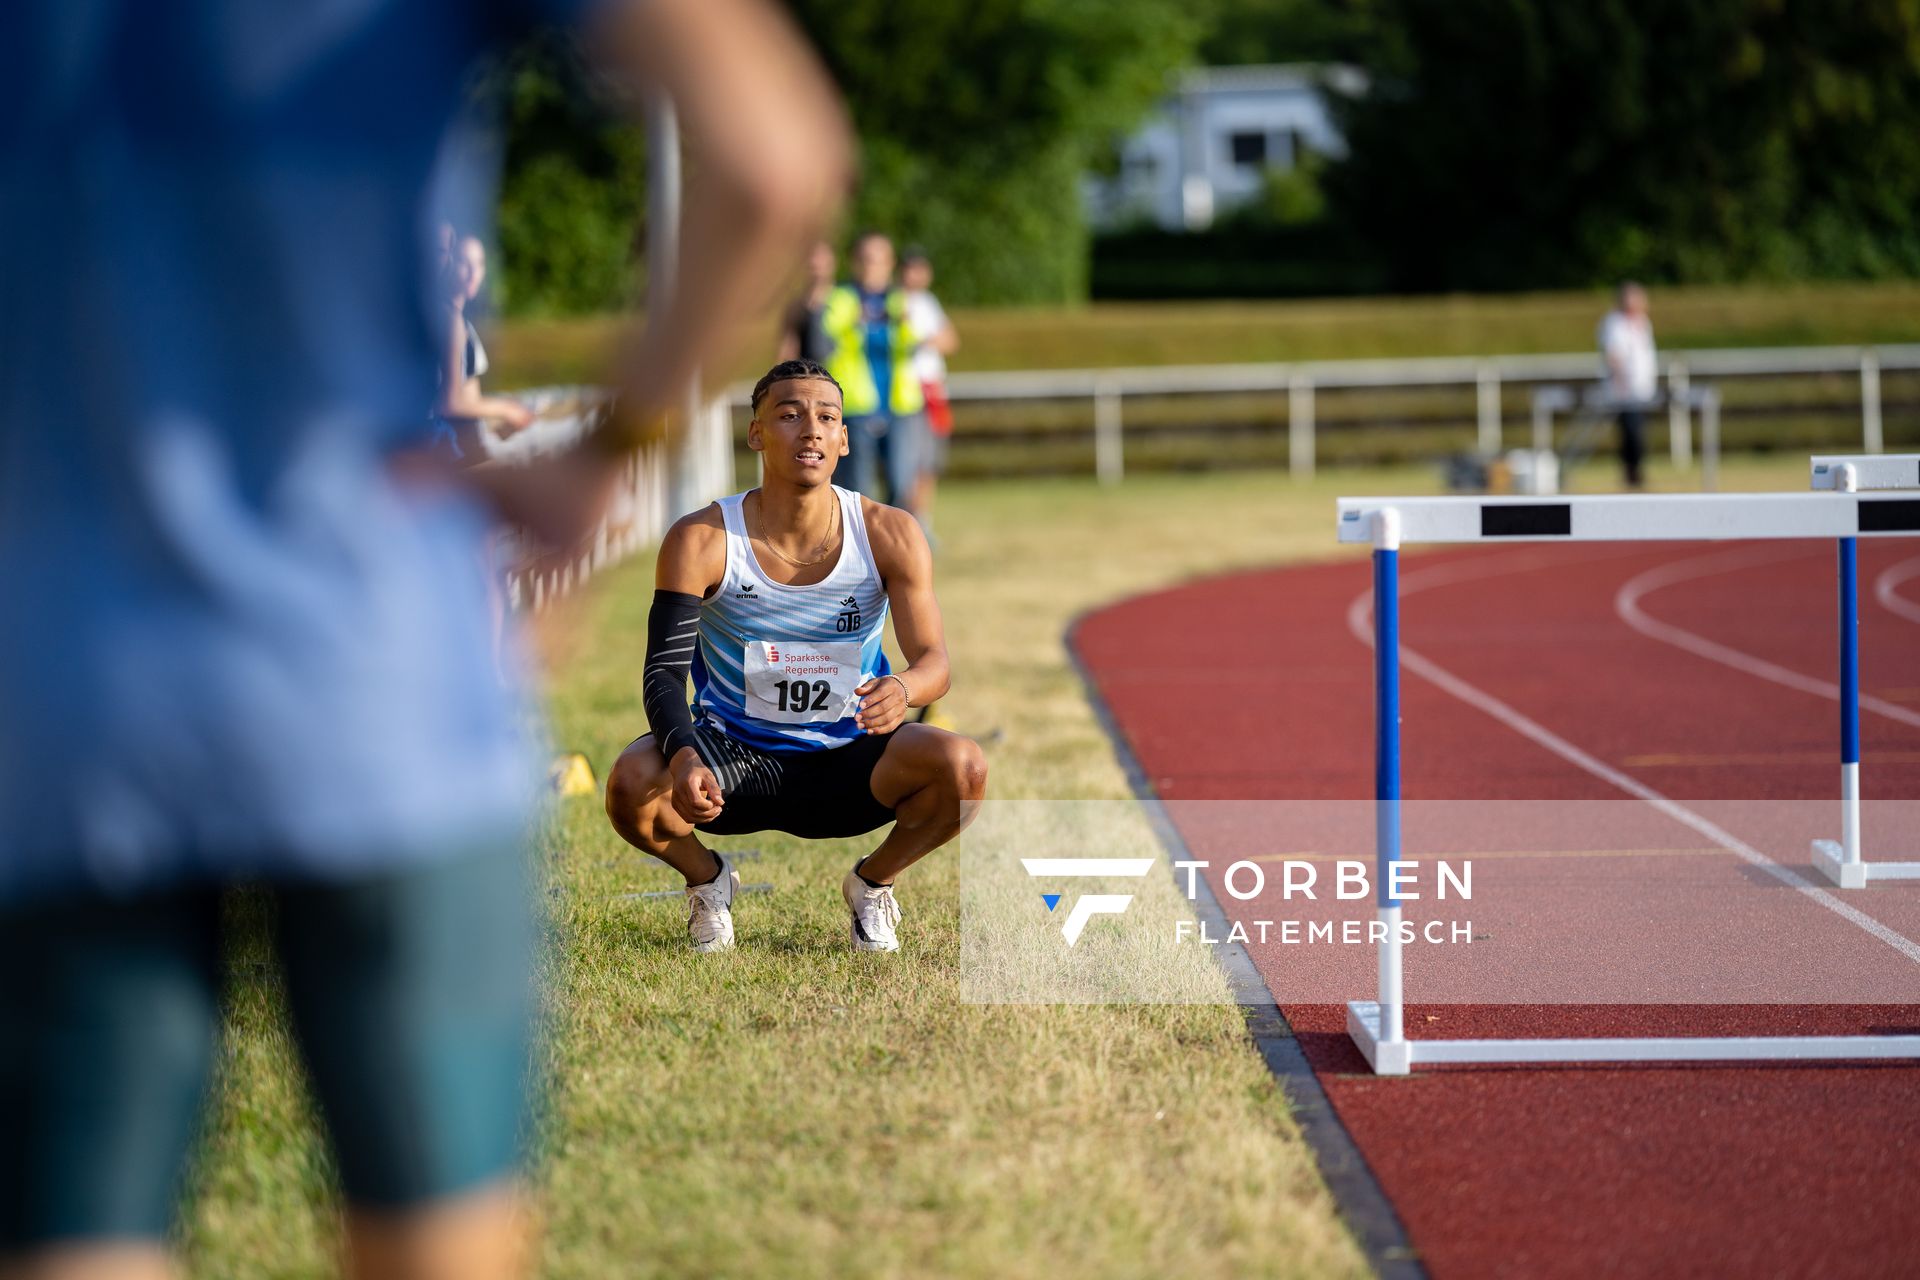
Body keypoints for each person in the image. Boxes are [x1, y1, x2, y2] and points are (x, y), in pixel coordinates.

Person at [0, 2, 849, 1279]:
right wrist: (603, 455)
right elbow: (772, 153)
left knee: (81, 1240)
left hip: (55, 688)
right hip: (371, 667)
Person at [604, 359, 988, 954]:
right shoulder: (702, 539)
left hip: (854, 756)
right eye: (789, 414)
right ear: (756, 433)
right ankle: (708, 882)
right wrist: (682, 759)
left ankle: (872, 884)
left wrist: (906, 690)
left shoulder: (890, 532)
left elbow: (935, 662)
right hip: (734, 759)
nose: (810, 428)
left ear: (842, 440)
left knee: (965, 769)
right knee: (631, 783)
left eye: (826, 417)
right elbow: (662, 674)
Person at [819, 232, 928, 512]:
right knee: (857, 490)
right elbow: (824, 343)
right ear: (855, 262)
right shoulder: (840, 298)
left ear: (890, 264)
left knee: (901, 485)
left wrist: (904, 324)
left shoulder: (900, 300)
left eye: (879, 260)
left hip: (899, 405)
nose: (872, 267)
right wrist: (854, 323)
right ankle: (861, 550)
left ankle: (896, 548)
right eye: (866, 259)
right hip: (855, 406)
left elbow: (917, 343)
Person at [431, 233, 535, 462]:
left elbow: (469, 399)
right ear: (449, 265)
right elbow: (449, 403)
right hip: (447, 451)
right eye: (463, 263)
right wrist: (507, 409)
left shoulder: (461, 322)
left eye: (479, 264)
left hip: (461, 444)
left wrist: (505, 411)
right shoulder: (449, 320)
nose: (472, 273)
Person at [900, 247, 959, 526]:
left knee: (929, 460)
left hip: (932, 390)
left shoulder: (928, 302)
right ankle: (909, 518)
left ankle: (923, 519)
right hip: (908, 392)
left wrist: (923, 341)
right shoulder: (895, 301)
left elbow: (950, 340)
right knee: (908, 461)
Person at [1598, 281, 1658, 489]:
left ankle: (1636, 472)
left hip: (1642, 390)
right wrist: (1620, 381)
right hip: (1623, 390)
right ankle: (1631, 474)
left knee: (1638, 432)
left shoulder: (1643, 322)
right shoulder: (1614, 323)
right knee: (1630, 433)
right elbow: (1614, 354)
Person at [776, 239, 838, 365]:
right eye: (813, 260)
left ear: (832, 263)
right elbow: (788, 349)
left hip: (840, 377)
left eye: (822, 260)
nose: (816, 263)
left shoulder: (844, 300)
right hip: (807, 377)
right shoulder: (796, 305)